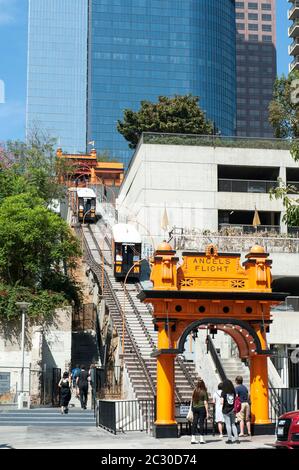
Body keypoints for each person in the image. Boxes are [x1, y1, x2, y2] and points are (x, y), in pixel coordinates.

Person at [221, 379, 240, 444]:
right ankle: (237, 439)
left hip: (226, 410)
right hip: (233, 409)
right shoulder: (233, 392)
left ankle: (230, 439)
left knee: (228, 425)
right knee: (233, 424)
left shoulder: (223, 392)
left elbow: (221, 402)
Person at [190, 379, 209, 444]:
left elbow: (192, 400)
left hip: (195, 408)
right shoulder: (204, 392)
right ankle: (201, 439)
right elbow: (205, 402)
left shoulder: (194, 391)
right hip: (202, 408)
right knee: (201, 423)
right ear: (203, 384)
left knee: (194, 422)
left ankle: (193, 438)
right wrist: (207, 412)